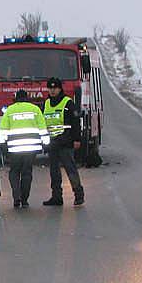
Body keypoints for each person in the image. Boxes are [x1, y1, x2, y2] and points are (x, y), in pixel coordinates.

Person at [0, 90, 49, 208]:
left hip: (14, 148)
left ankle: (16, 196)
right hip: (31, 147)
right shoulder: (35, 109)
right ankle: (24, 199)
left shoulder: (9, 110)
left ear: (15, 99)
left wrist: (1, 145)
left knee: (14, 171)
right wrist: (46, 144)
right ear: (27, 98)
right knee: (27, 172)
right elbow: (42, 129)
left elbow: (3, 130)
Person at [43, 77, 85, 206]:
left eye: (55, 88)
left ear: (60, 89)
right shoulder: (46, 103)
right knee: (54, 172)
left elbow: (75, 122)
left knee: (70, 169)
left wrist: (77, 139)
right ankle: (56, 197)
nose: (52, 91)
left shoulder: (68, 103)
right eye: (50, 88)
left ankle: (78, 194)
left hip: (65, 142)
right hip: (52, 143)